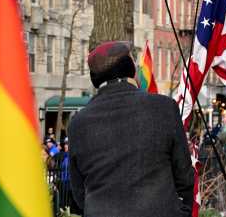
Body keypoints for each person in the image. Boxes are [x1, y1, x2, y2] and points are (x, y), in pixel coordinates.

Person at [68, 41, 194, 217]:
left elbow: (78, 191)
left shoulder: (78, 123)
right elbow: (185, 176)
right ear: (131, 69)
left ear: (94, 77)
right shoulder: (164, 108)